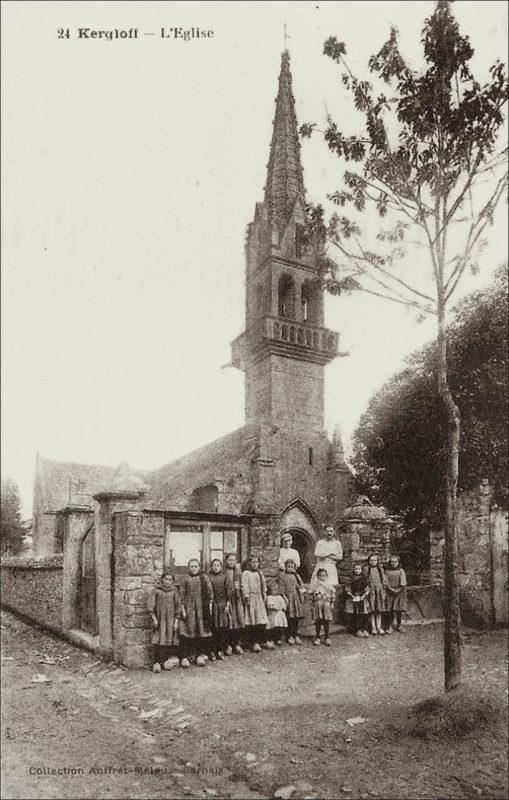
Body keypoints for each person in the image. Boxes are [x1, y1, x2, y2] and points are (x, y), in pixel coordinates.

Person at [179, 558, 214, 667]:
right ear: (188, 567)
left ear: (199, 567)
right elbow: (181, 596)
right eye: (192, 566)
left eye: (196, 566)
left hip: (201, 608)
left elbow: (210, 593)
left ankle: (199, 655)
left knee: (200, 630)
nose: (194, 569)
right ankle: (186, 656)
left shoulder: (204, 578)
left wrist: (209, 607)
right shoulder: (185, 579)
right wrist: (183, 610)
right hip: (189, 608)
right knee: (188, 631)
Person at [148, 572, 181, 672]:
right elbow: (150, 606)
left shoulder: (174, 592)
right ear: (162, 579)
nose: (168, 581)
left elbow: (178, 607)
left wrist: (176, 621)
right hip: (159, 619)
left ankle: (165, 661)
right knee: (158, 639)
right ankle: (156, 662)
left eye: (170, 580)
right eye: (166, 579)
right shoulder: (156, 591)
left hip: (170, 620)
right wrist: (154, 618)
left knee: (168, 639)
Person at [241, 554, 269, 653]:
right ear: (249, 563)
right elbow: (244, 585)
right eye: (252, 562)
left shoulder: (259, 573)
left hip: (259, 597)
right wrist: (246, 596)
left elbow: (263, 583)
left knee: (260, 619)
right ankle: (253, 642)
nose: (254, 564)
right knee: (252, 619)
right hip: (251, 597)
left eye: (256, 562)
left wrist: (264, 592)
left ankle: (262, 640)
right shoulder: (246, 573)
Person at [279, 558, 305, 645]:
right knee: (289, 617)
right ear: (285, 567)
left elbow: (301, 584)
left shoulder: (295, 576)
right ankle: (289, 635)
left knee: (295, 618)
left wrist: (297, 574)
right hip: (288, 598)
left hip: (295, 598)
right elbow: (281, 588)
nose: (290, 568)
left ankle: (295, 635)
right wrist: (284, 597)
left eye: (292, 567)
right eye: (288, 567)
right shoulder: (282, 576)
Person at [309, 524, 343, 590]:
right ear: (324, 532)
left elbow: (340, 557)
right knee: (317, 587)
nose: (329, 533)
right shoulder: (320, 542)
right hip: (321, 565)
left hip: (331, 567)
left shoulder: (337, 543)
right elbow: (317, 554)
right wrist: (331, 553)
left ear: (334, 532)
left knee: (331, 587)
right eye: (327, 531)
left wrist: (324, 555)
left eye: (331, 531)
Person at [224, 552, 244, 655]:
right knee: (229, 622)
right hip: (228, 600)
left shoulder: (238, 571)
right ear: (226, 561)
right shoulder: (225, 572)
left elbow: (241, 584)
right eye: (229, 560)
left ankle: (237, 644)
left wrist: (241, 593)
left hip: (237, 599)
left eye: (233, 560)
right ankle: (228, 645)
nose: (232, 562)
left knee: (238, 621)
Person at [208, 558, 229, 660]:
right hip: (213, 605)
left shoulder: (225, 577)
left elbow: (228, 592)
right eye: (214, 565)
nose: (216, 567)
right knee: (213, 628)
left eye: (218, 565)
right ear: (211, 567)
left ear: (221, 567)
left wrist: (227, 605)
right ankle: (211, 651)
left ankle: (220, 650)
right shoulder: (209, 577)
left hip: (222, 605)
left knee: (221, 628)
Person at [309, 567, 335, 646]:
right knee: (318, 621)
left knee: (326, 621)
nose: (321, 577)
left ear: (326, 577)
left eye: (323, 576)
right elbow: (311, 596)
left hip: (326, 605)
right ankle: (318, 637)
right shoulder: (315, 585)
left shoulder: (328, 585)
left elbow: (333, 595)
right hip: (318, 605)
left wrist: (332, 603)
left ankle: (327, 637)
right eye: (320, 575)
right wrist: (311, 604)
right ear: (317, 576)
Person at [345, 563, 370, 638]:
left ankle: (364, 629)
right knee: (356, 614)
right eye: (356, 569)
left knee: (363, 614)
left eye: (359, 569)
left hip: (362, 598)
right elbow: (348, 589)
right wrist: (352, 596)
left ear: (361, 570)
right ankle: (357, 629)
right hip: (354, 598)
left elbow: (367, 589)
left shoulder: (364, 579)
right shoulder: (351, 579)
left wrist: (363, 595)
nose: (357, 570)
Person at [384, 555, 408, 633]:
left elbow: (403, 581)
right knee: (390, 609)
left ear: (398, 562)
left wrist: (399, 589)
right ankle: (390, 625)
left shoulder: (401, 571)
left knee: (399, 609)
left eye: (395, 562)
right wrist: (390, 588)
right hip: (390, 592)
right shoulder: (387, 571)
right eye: (392, 562)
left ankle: (399, 625)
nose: (393, 563)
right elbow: (385, 581)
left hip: (399, 592)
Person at [366, 553, 387, 636]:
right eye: (371, 560)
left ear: (377, 561)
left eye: (375, 560)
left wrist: (384, 589)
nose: (373, 562)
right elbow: (365, 580)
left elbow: (384, 579)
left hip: (379, 590)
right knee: (372, 609)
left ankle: (379, 627)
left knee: (379, 609)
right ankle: (373, 627)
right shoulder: (367, 569)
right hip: (371, 591)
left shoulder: (380, 569)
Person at [265, 578, 287, 647]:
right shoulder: (269, 597)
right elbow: (269, 605)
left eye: (276, 590)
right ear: (270, 591)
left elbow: (283, 604)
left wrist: (283, 607)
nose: (275, 591)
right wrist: (275, 607)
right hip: (273, 614)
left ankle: (278, 639)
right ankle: (272, 639)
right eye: (274, 590)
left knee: (279, 628)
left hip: (279, 615)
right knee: (272, 628)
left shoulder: (279, 597)